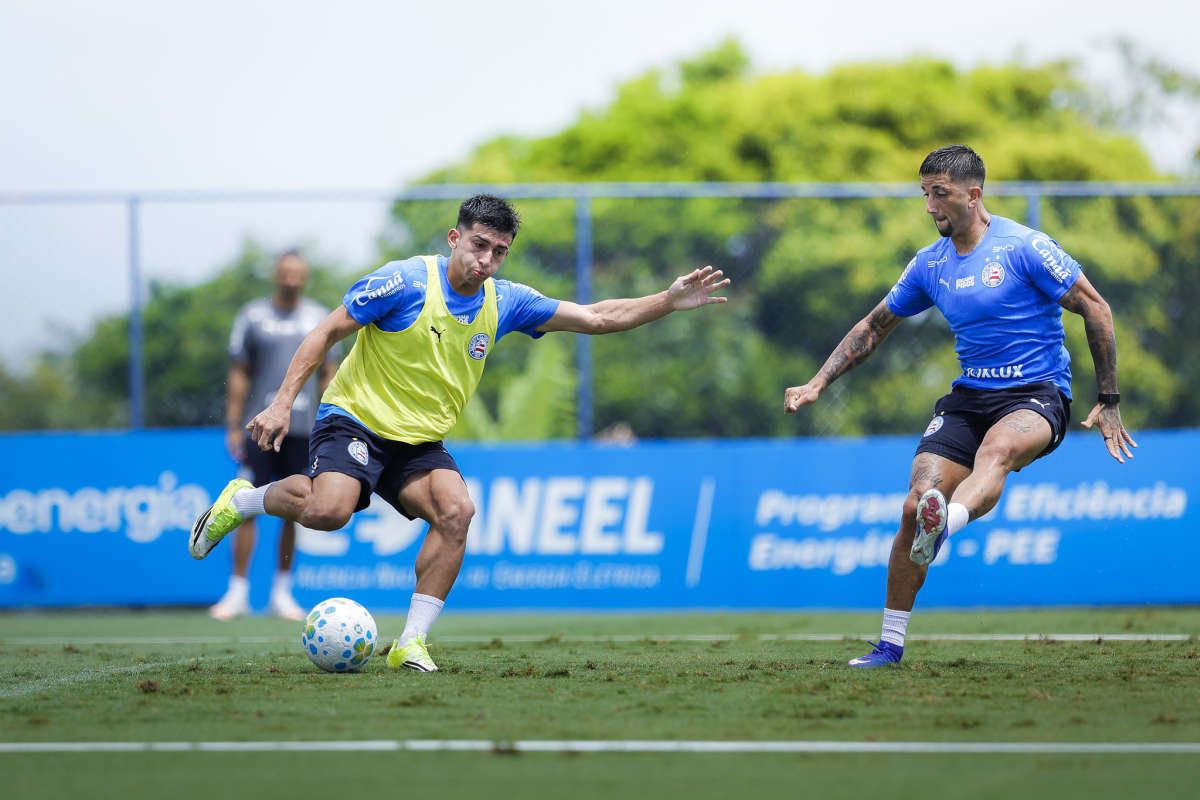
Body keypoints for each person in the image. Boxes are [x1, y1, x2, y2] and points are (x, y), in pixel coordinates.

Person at [190, 194, 730, 670]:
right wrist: (284, 402)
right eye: (478, 245)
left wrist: (665, 301)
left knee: (458, 511)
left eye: (499, 251)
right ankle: (246, 500)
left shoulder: (506, 300)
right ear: (454, 237)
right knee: (328, 512)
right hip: (355, 417)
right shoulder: (403, 280)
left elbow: (597, 317)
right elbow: (326, 331)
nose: (486, 261)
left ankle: (411, 643)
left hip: (418, 442)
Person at [783, 145, 1136, 667]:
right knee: (912, 506)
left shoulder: (1026, 248)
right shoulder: (930, 264)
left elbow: (1096, 307)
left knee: (996, 451)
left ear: (974, 195)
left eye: (940, 193)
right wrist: (817, 382)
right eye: (925, 193)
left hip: (1036, 394)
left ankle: (944, 524)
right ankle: (890, 643)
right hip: (970, 397)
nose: (929, 205)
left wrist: (1108, 400)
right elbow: (874, 326)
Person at [208, 250, 339, 621]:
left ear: (306, 276)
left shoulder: (319, 317)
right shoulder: (252, 316)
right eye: (286, 272)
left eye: (299, 273)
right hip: (260, 426)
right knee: (247, 503)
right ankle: (237, 592)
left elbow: (330, 372)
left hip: (304, 429)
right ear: (276, 275)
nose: (292, 279)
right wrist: (233, 424)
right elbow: (239, 372)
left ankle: (282, 593)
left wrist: (327, 422)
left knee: (295, 508)